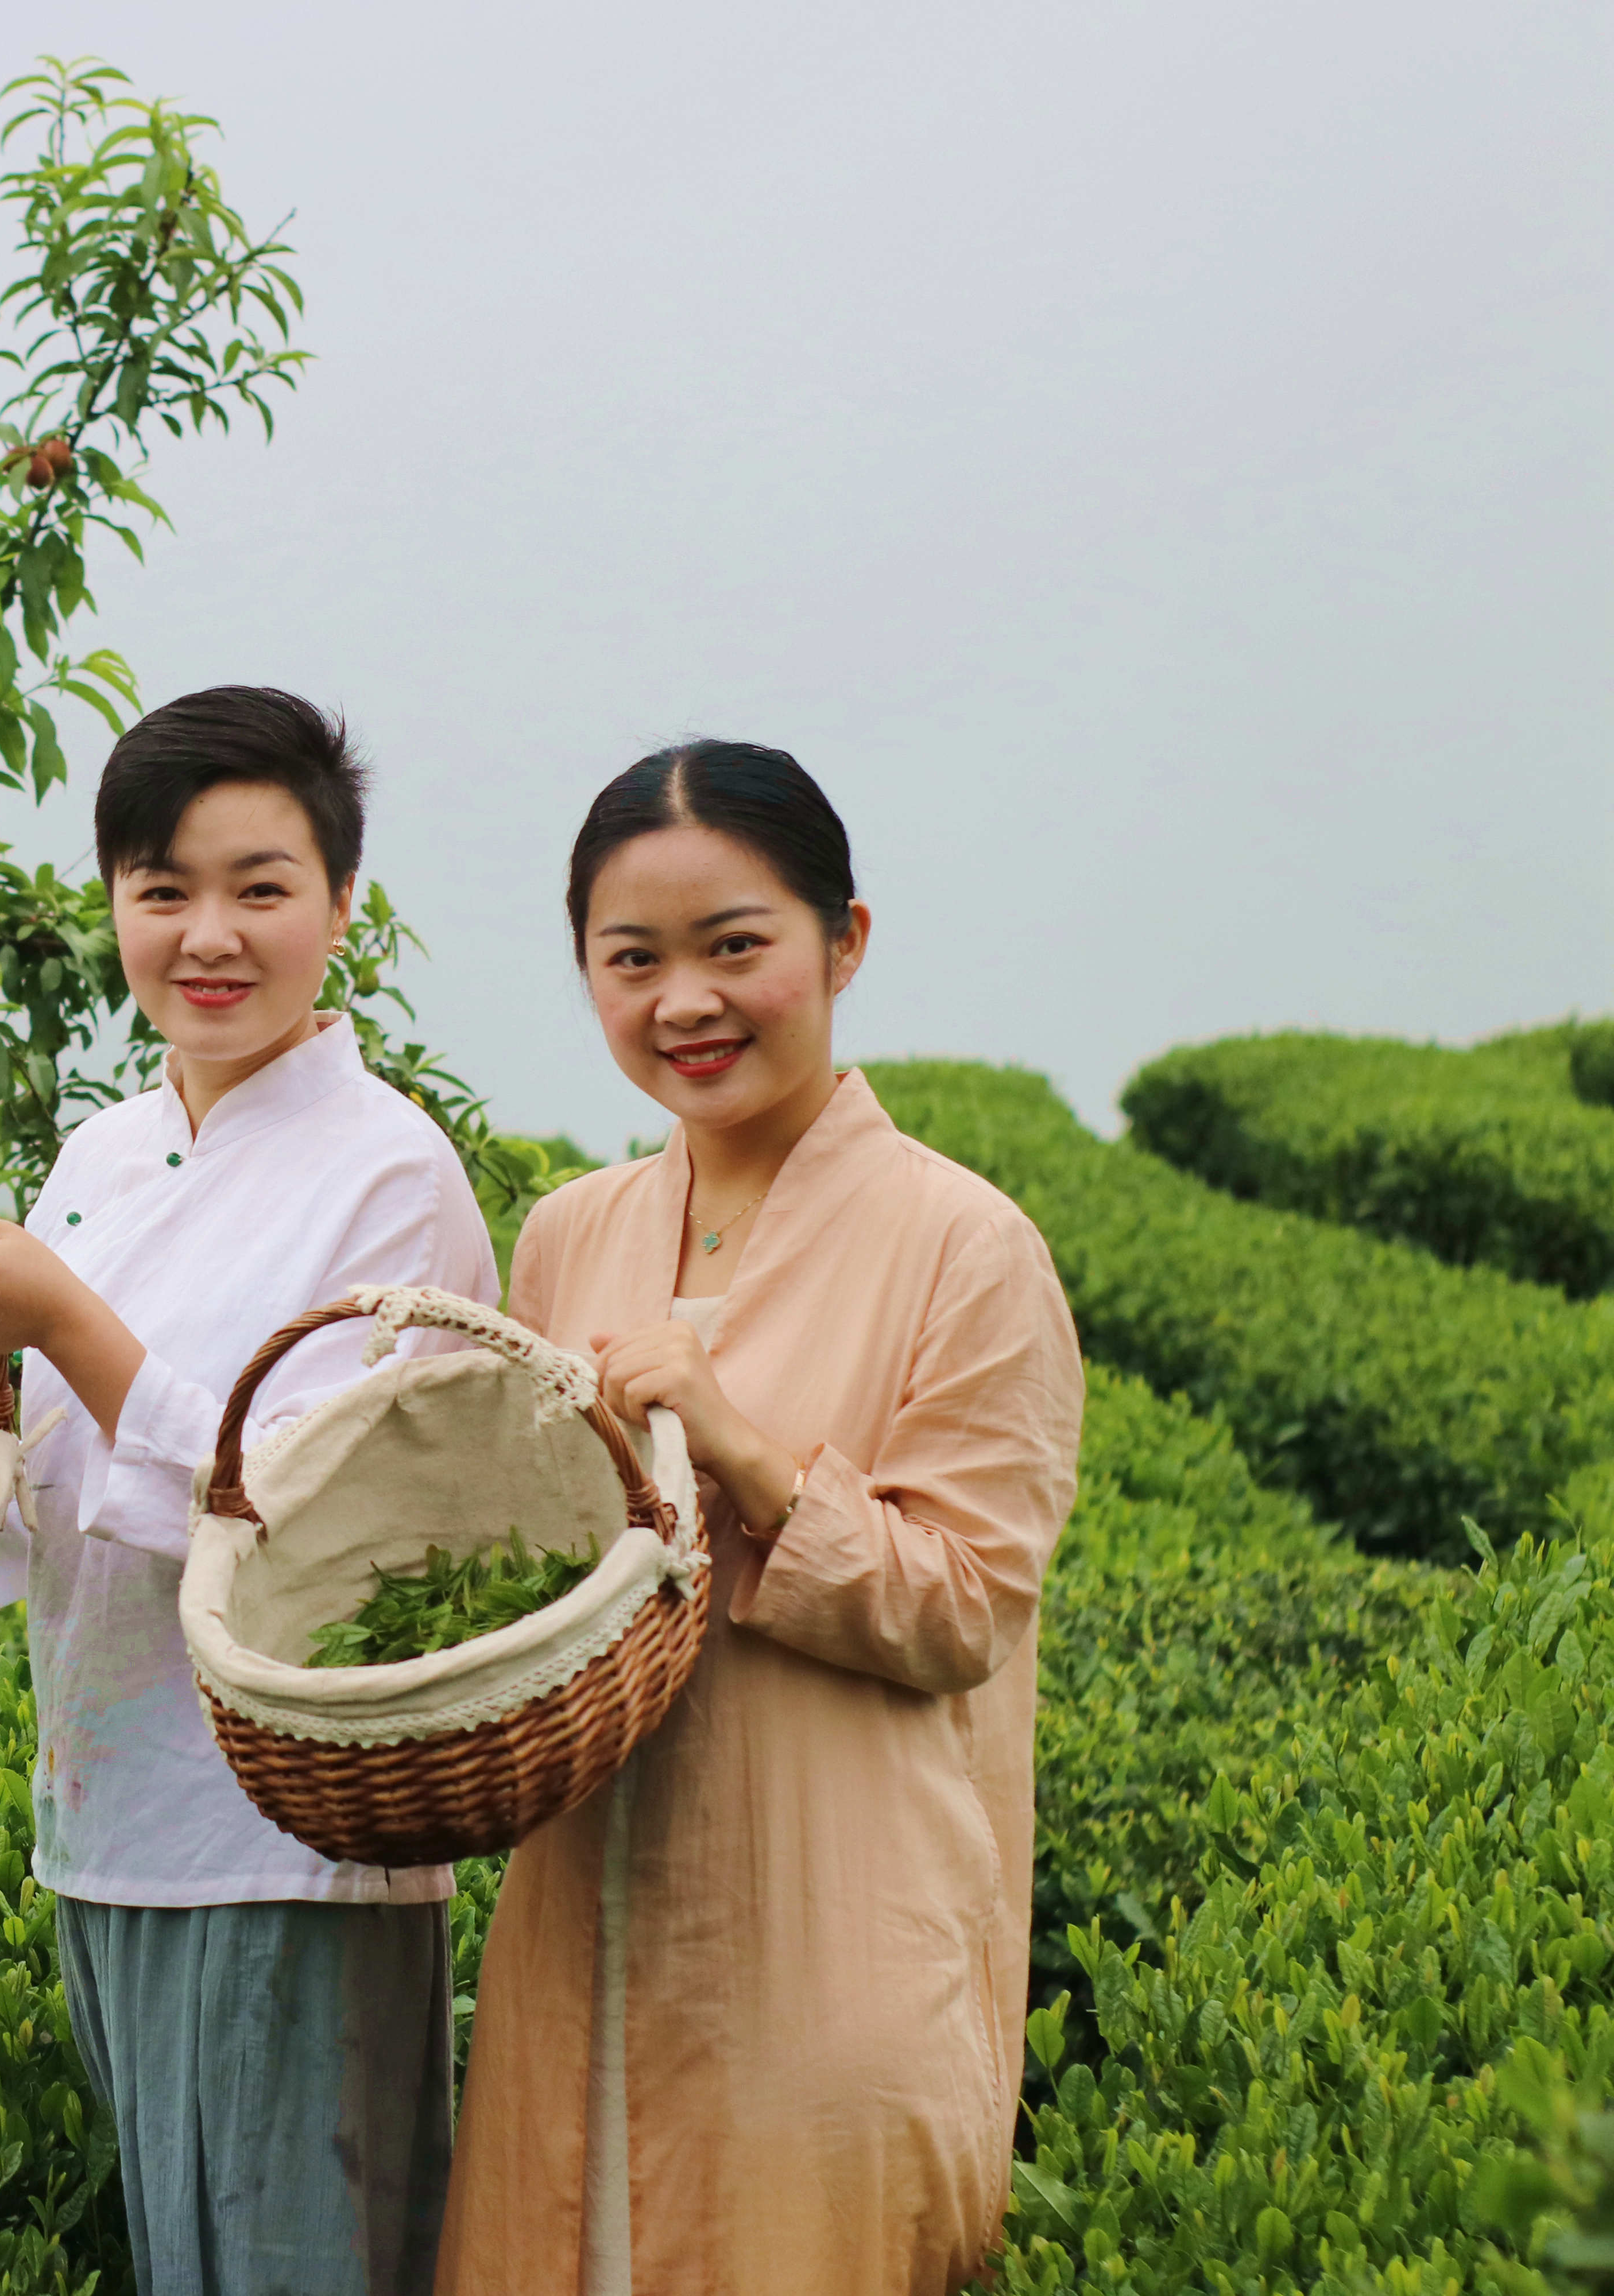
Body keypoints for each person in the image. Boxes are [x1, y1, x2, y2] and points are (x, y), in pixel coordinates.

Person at [436, 742, 1083, 2295]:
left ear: (843, 941)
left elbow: (965, 1608)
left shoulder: (965, 1245)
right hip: (582, 1920)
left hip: (832, 1951)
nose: (686, 1003)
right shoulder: (571, 1233)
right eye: (633, 960)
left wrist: (748, 1456)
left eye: (738, 946)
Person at [0, 687, 494, 2296]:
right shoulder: (99, 1157)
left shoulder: (388, 1168)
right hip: (108, 1819)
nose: (207, 934)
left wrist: (68, 1325)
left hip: (293, 1842)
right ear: (113, 906)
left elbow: (319, 1531)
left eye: (260, 886)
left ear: (342, 907)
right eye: (162, 890)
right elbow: (47, 1482)